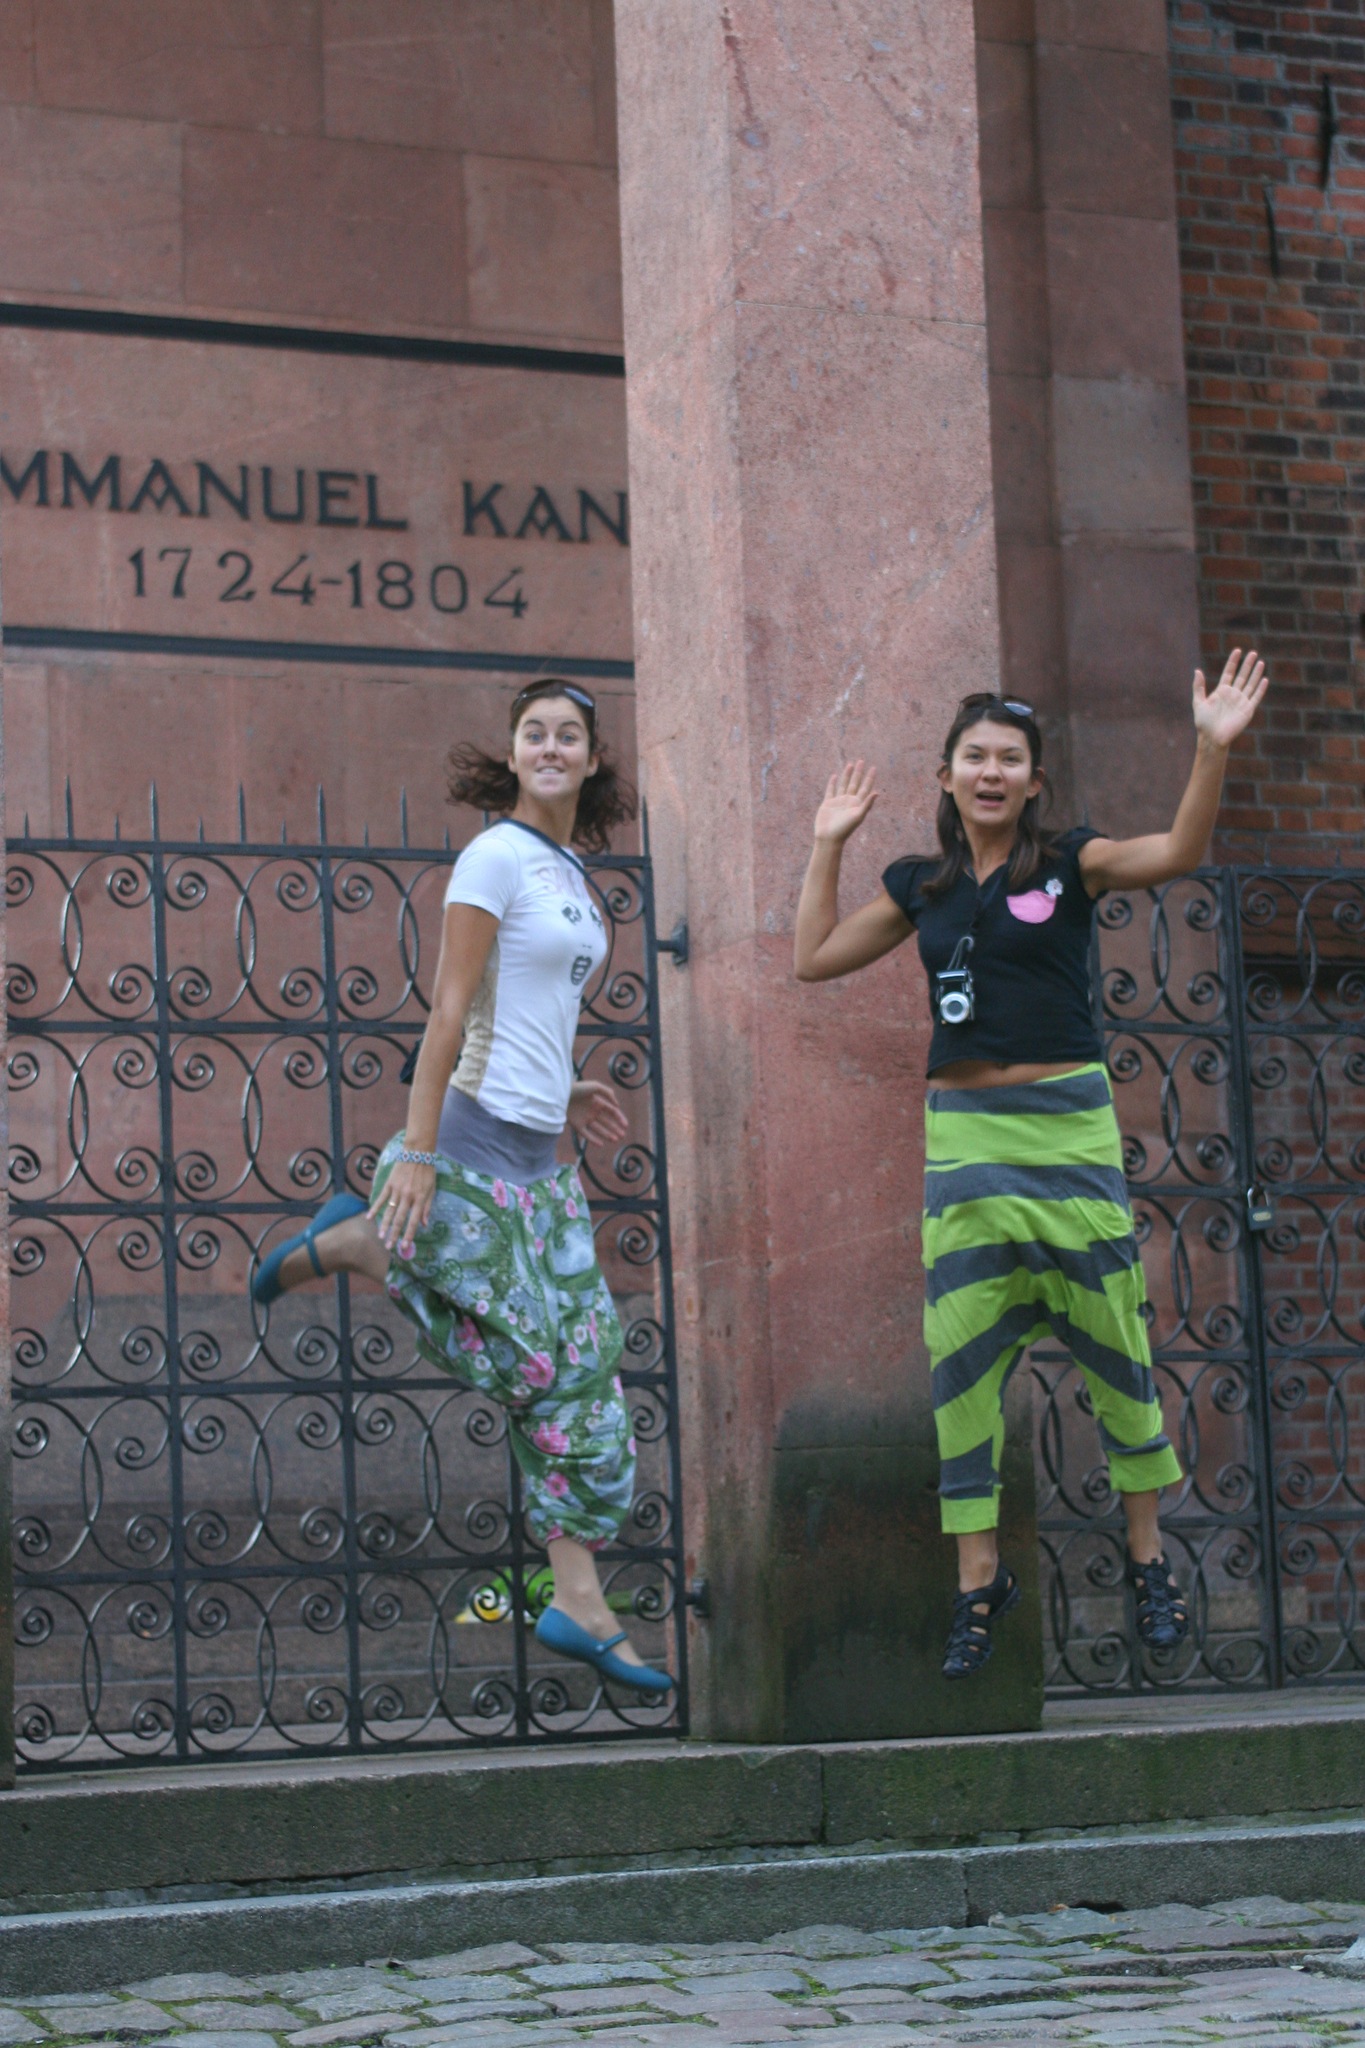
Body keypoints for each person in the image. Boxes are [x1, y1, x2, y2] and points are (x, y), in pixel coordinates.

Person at [793, 650, 1269, 1679]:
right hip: (965, 1137)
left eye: (1010, 758)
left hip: (1067, 1130)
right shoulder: (921, 886)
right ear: (946, 774)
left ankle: (1147, 1557)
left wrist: (1209, 749)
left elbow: (1179, 850)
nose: (992, 771)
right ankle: (978, 1581)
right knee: (961, 1358)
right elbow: (812, 957)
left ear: (1034, 780)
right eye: (975, 756)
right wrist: (827, 845)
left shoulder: (1069, 863)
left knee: (1114, 1343)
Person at [250, 678, 671, 1698]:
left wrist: (564, 1089)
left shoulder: (572, 871)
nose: (551, 747)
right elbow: (450, 1010)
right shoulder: (495, 857)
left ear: (594, 758)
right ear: (513, 753)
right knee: (536, 1368)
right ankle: (360, 1242)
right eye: (534, 733)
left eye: (568, 735)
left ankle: (578, 1601)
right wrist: (421, 1152)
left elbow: (529, 1008)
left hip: (540, 1159)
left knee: (588, 1377)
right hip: (468, 1145)